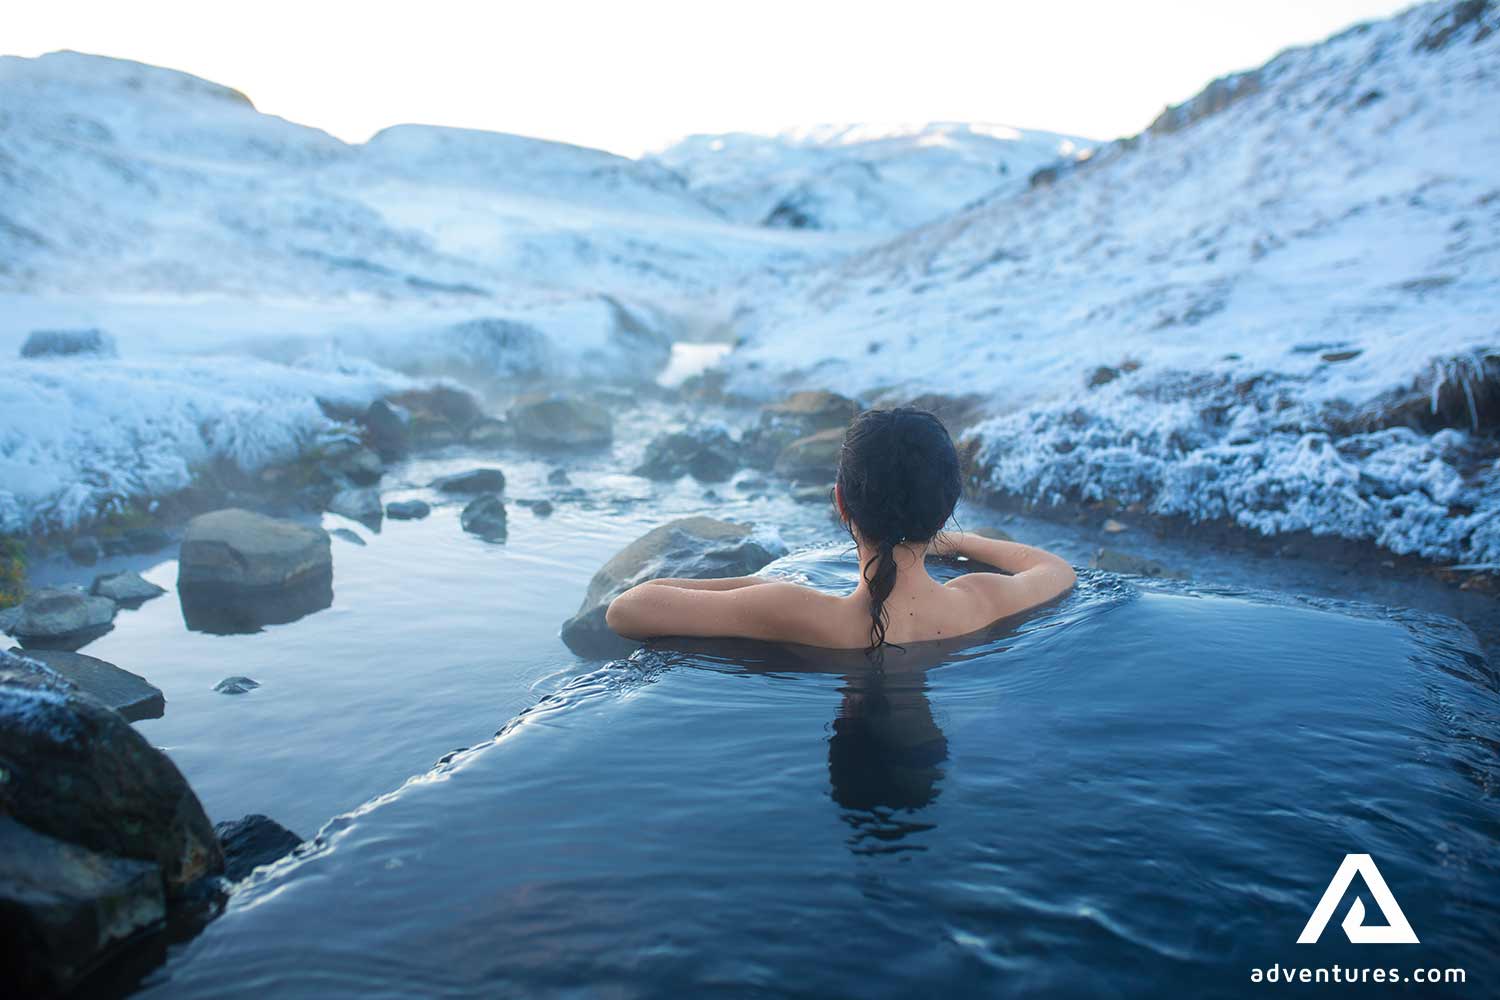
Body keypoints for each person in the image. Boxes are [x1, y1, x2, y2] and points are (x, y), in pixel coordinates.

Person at [605, 407, 1076, 654]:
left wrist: (756, 584)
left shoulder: (792, 609)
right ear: (948, 505)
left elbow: (627, 610)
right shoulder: (980, 599)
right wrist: (947, 540)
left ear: (840, 503)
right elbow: (1054, 568)